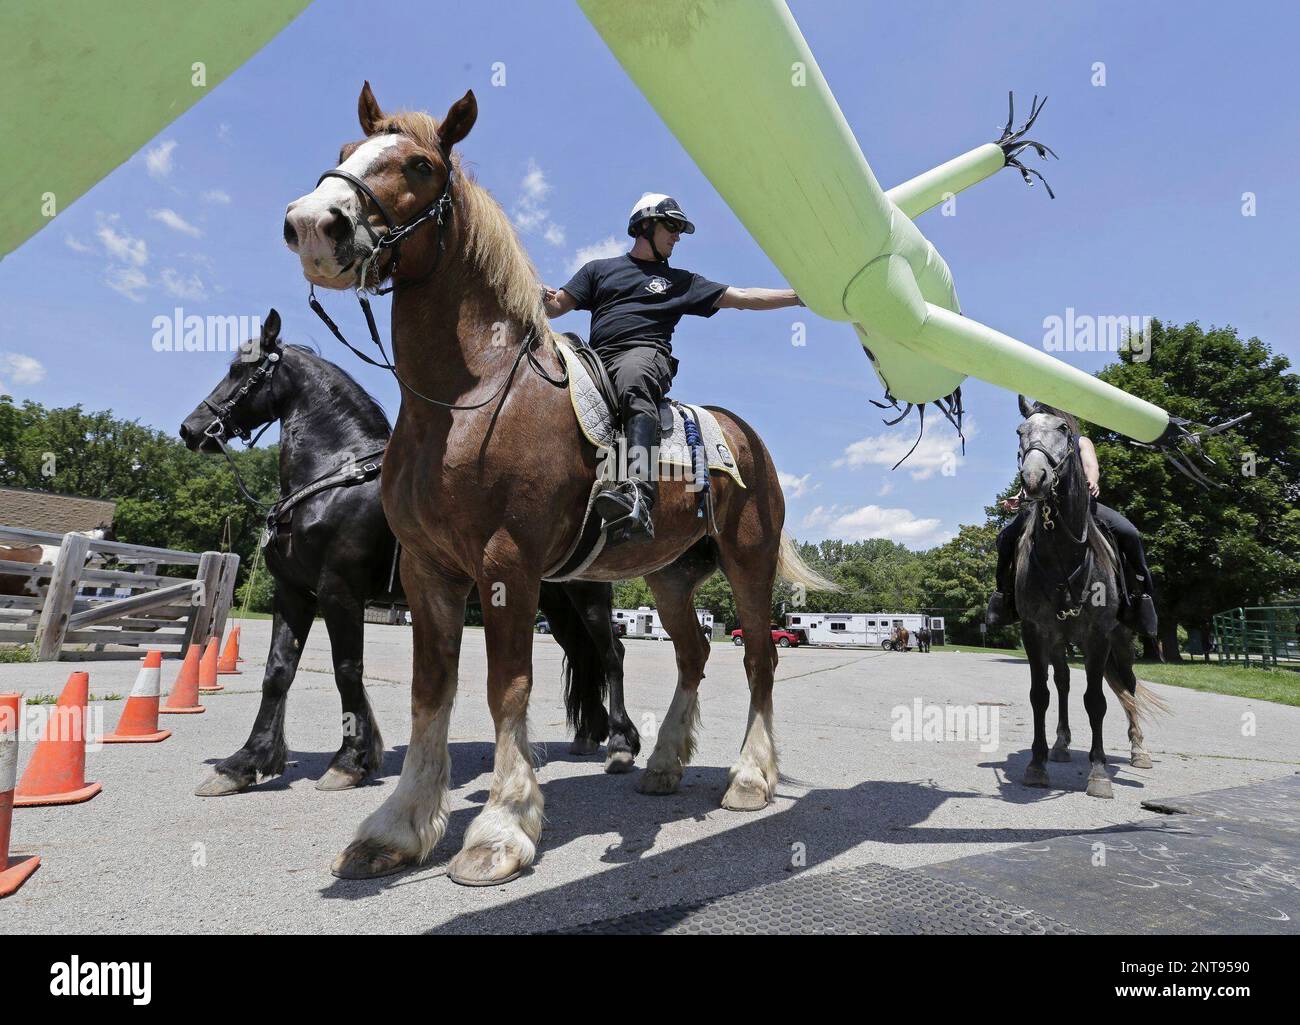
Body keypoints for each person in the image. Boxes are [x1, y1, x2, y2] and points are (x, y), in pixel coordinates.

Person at [543, 193, 801, 544]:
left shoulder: (681, 281)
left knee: (634, 379)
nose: (677, 236)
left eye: (680, 229)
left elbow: (740, 298)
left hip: (643, 356)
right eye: (672, 226)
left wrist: (799, 297)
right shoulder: (597, 270)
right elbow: (557, 306)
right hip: (594, 361)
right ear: (644, 225)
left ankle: (638, 493)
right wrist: (528, 291)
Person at [987, 434, 1159, 635]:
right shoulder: (1042, 438)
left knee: (1130, 533)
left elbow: (1091, 467)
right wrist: (1020, 495)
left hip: (1081, 504)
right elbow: (1037, 473)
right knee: (1005, 536)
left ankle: (1141, 599)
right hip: (1043, 506)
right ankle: (1004, 595)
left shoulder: (1081, 441)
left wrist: (1092, 481)